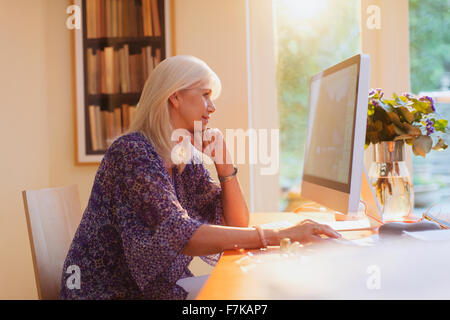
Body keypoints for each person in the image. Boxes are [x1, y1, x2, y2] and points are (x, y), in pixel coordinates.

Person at [60, 55, 341, 300]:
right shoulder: (133, 152)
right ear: (175, 96)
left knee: (264, 287)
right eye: (205, 95)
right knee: (261, 292)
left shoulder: (182, 160)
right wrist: (279, 235)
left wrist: (224, 166)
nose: (212, 107)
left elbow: (235, 222)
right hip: (112, 293)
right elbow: (181, 235)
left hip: (157, 290)